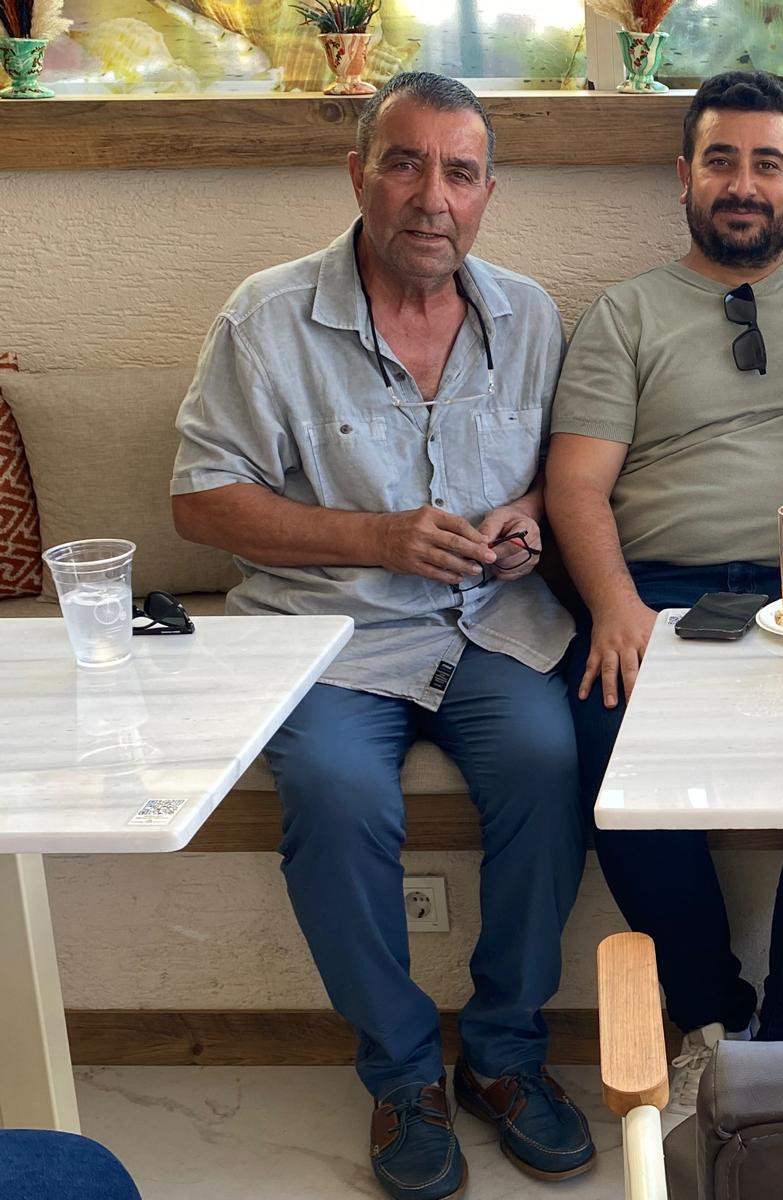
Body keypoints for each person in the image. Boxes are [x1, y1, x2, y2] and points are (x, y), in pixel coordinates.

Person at [170, 73, 593, 1199]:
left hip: (492, 625)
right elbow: (200, 502)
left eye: (459, 172)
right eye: (404, 164)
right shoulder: (266, 319)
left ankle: (503, 1057)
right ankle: (403, 1077)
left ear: (488, 193)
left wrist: (529, 521)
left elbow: (566, 479)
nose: (431, 197)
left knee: (549, 764)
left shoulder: (530, 317)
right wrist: (377, 537)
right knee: (336, 794)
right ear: (358, 175)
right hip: (331, 638)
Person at [543, 70, 783, 1121]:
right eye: (720, 160)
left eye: (766, 163)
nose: (742, 184)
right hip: (661, 596)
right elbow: (575, 486)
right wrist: (613, 607)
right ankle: (711, 1024)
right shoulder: (625, 315)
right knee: (605, 741)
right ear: (682, 175)